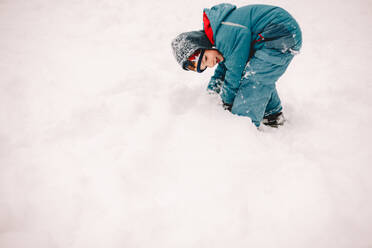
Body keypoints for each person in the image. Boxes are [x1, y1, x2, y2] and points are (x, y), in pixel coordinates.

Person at [171, 3, 302, 128]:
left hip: (279, 33)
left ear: (204, 44)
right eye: (205, 66)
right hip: (276, 34)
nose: (211, 64)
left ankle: (243, 128)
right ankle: (272, 115)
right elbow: (225, 67)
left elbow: (235, 71)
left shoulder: (224, 36)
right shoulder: (220, 35)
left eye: (205, 58)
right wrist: (213, 90)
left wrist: (226, 102)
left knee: (254, 79)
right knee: (258, 75)